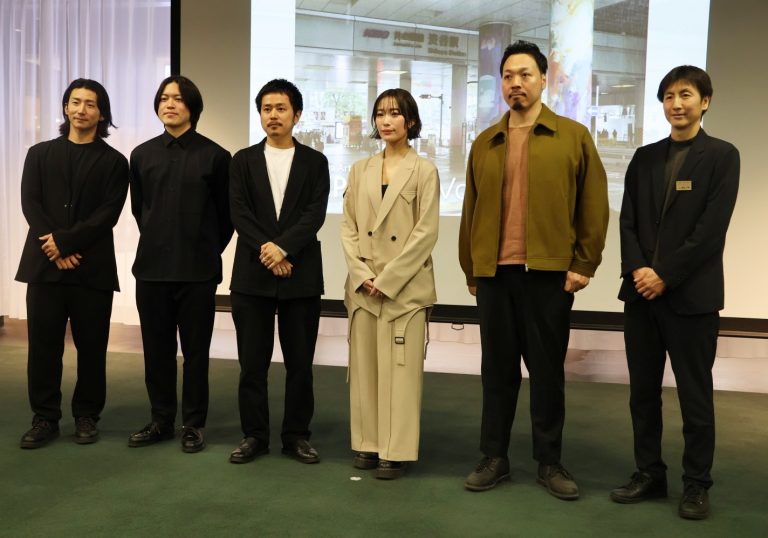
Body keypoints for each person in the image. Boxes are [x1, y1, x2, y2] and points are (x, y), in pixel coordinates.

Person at [459, 40, 609, 499]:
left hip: (548, 275)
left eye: (525, 74)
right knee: (496, 372)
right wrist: (472, 268)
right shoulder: (486, 142)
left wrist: (584, 262)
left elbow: (594, 204)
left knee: (546, 373)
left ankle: (549, 461)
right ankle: (494, 457)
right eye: (508, 76)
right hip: (495, 275)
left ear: (544, 80)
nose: (515, 83)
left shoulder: (572, 136)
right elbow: (470, 210)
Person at [611, 66, 739, 520]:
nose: (676, 103)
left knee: (694, 397)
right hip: (641, 297)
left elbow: (710, 232)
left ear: (705, 101)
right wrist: (639, 270)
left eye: (685, 94)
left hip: (691, 299)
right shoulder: (644, 157)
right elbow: (627, 221)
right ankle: (649, 472)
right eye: (668, 96)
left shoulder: (722, 156)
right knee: (642, 395)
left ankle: (697, 484)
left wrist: (664, 274)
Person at [16, 78, 129, 448]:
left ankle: (86, 415)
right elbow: (30, 203)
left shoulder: (115, 162)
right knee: (43, 347)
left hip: (91, 268)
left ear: (102, 113)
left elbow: (108, 214)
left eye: (90, 104)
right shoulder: (39, 153)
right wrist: (55, 247)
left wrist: (65, 243)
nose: (82, 109)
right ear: (65, 108)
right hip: (44, 266)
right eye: (75, 102)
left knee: (92, 347)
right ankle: (44, 418)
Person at [128, 75, 233, 453]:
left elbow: (226, 217)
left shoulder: (216, 156)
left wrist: (203, 249)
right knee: (156, 351)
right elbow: (140, 210)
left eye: (178, 98)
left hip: (197, 272)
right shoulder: (141, 155)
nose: (169, 104)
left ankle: (193, 424)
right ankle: (161, 420)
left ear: (192, 106)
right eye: (163, 98)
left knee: (195, 353)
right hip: (151, 270)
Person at [227, 79, 329, 465]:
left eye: (281, 108)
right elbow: (239, 212)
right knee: (252, 365)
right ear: (260, 114)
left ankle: (296, 436)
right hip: (252, 277)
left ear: (296, 115)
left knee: (300, 365)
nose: (273, 115)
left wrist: (283, 248)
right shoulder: (242, 160)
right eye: (267, 109)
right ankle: (254, 435)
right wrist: (269, 251)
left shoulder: (315, 162)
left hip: (300, 275)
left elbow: (314, 214)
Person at [341, 89, 439, 479]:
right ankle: (367, 443)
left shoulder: (424, 170)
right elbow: (348, 227)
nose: (386, 120)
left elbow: (426, 232)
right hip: (364, 287)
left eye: (395, 113)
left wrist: (389, 279)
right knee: (364, 369)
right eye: (380, 113)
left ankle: (394, 451)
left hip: (405, 288)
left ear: (410, 121)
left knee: (401, 373)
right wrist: (362, 275)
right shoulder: (359, 169)